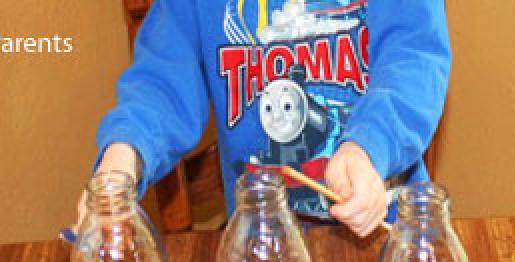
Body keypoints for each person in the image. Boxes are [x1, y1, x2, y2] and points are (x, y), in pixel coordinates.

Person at [79, 0, 450, 237]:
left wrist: (370, 147)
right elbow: (160, 86)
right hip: (261, 244)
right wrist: (120, 164)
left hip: (389, 236)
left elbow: (414, 59)